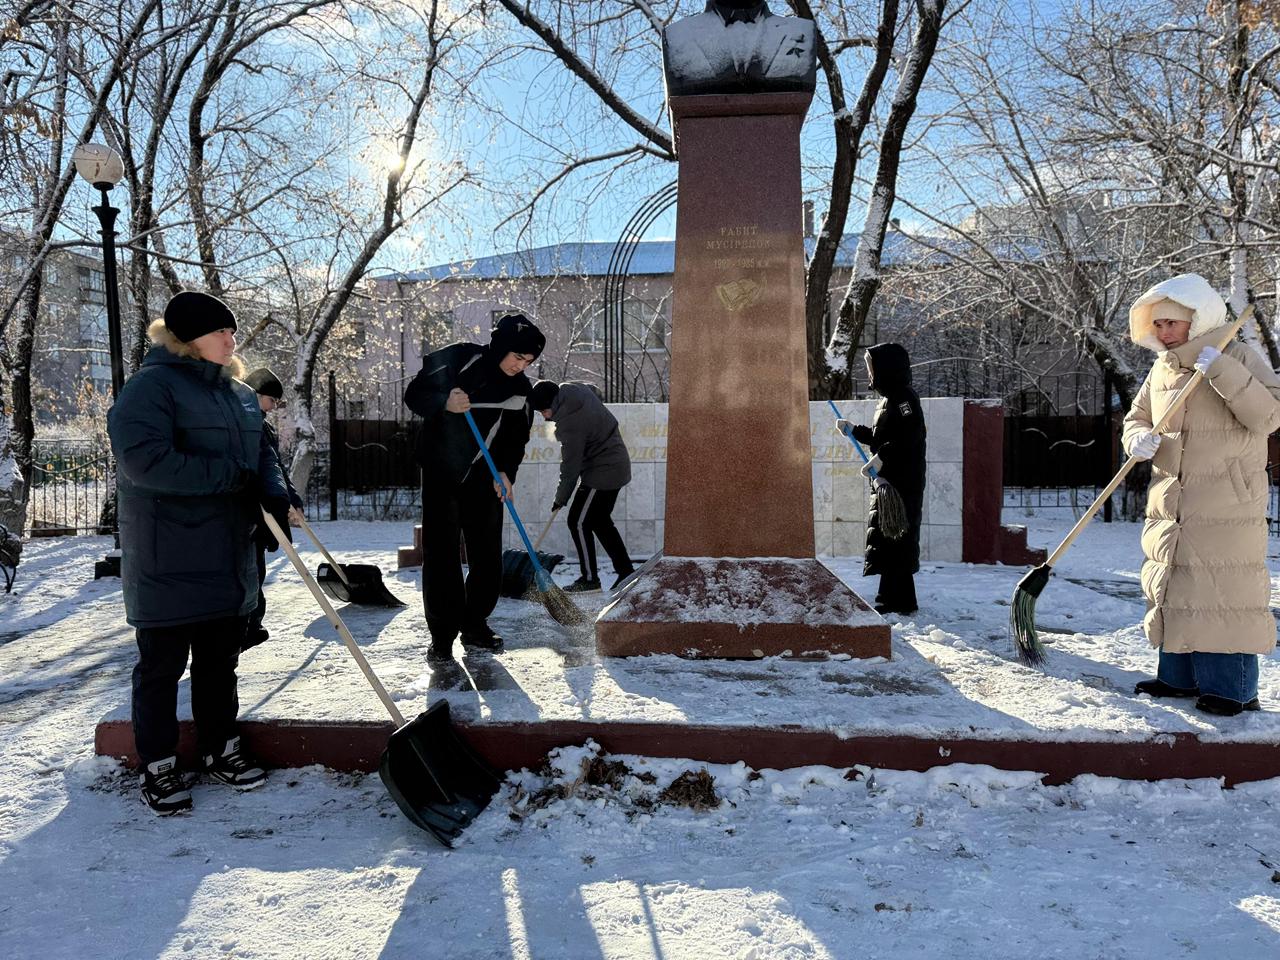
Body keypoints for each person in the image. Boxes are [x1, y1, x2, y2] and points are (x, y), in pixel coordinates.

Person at [108, 291, 289, 815]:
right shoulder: (150, 388)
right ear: (187, 339)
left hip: (226, 551)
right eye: (220, 333)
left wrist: (276, 493)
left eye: (232, 333)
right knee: (162, 667)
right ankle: (158, 764)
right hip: (168, 553)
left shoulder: (238, 394)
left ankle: (219, 748)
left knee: (219, 663)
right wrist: (232, 480)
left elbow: (263, 453)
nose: (232, 341)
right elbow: (144, 461)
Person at [1122, 274, 1280, 716]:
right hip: (1173, 498)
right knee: (1176, 584)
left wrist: (1224, 371)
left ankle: (1232, 689)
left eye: (1172, 323)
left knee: (1222, 589)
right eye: (1158, 324)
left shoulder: (1237, 353)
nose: (1163, 332)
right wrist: (1136, 439)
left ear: (1199, 317)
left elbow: (1268, 417)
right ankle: (1177, 679)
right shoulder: (1163, 366)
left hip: (1226, 501)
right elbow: (1137, 415)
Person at [404, 313, 544, 662]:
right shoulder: (461, 358)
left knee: (487, 557)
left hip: (485, 479)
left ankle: (475, 624)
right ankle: (442, 635)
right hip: (442, 475)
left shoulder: (520, 390)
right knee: (442, 556)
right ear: (502, 347)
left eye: (527, 361)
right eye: (517, 356)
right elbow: (414, 394)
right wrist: (444, 402)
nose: (520, 366)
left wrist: (507, 472)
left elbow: (516, 437)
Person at [836, 342, 926, 615]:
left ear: (888, 368)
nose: (870, 374)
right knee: (888, 536)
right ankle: (891, 599)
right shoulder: (887, 401)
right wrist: (854, 431)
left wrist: (882, 459)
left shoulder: (904, 399)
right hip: (886, 481)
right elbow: (881, 439)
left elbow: (908, 438)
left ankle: (897, 601)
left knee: (898, 535)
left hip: (902, 483)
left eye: (873, 367)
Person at [529, 379, 635, 592]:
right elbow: (592, 386)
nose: (544, 416)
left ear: (552, 404)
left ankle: (589, 579)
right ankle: (625, 571)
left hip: (603, 471)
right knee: (600, 521)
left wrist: (561, 498)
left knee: (577, 521)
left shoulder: (571, 424)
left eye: (543, 411)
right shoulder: (571, 388)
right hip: (616, 463)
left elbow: (570, 467)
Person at [242, 368, 306, 651]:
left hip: (265, 506)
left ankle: (252, 624)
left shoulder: (262, 424)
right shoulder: (245, 422)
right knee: (250, 571)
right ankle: (246, 627)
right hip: (250, 510)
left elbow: (275, 467)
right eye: (271, 400)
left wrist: (292, 500)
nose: (274, 406)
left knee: (257, 569)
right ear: (255, 394)